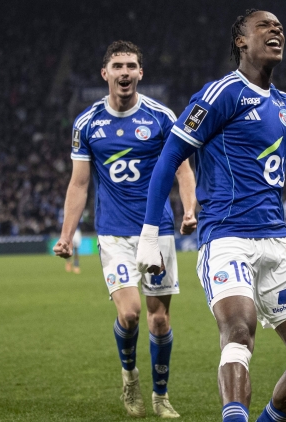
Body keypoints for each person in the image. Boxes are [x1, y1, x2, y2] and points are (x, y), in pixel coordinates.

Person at [136, 9, 286, 422]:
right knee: (238, 332)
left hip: (278, 244)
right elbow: (170, 154)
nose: (276, 30)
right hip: (227, 239)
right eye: (264, 26)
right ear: (241, 41)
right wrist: (150, 233)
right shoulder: (222, 94)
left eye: (280, 27)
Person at [53, 40, 197, 419]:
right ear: (105, 73)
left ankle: (160, 395)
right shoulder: (86, 124)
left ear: (140, 73)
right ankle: (130, 375)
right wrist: (66, 235)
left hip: (158, 231)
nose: (125, 72)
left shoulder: (161, 117)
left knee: (159, 320)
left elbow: (183, 169)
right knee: (130, 313)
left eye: (131, 66)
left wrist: (189, 209)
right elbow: (79, 184)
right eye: (117, 66)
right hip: (113, 233)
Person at [59, 208, 82, 274]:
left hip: (76, 231)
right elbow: (60, 221)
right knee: (68, 247)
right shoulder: (63, 210)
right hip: (68, 231)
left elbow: (81, 221)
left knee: (76, 249)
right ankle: (68, 262)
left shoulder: (78, 209)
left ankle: (76, 265)